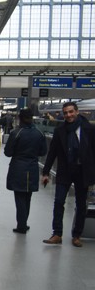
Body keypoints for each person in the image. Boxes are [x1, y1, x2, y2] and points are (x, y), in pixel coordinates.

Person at [41, 101, 95, 247]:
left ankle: (77, 235)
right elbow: (52, 152)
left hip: (82, 171)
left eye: (71, 112)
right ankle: (57, 233)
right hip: (65, 170)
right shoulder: (60, 131)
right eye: (65, 113)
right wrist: (45, 172)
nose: (68, 115)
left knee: (81, 204)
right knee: (59, 201)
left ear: (77, 112)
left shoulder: (89, 129)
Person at [4, 108, 47, 234]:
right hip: (32, 167)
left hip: (18, 168)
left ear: (20, 118)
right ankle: (23, 222)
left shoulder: (16, 133)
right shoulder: (40, 133)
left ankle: (21, 225)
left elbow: (8, 152)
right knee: (28, 197)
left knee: (19, 197)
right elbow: (43, 152)